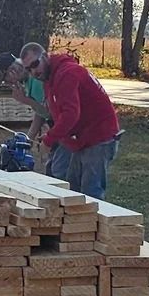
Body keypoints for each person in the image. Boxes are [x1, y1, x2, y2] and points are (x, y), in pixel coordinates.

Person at [34, 44, 121, 198]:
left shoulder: (67, 73)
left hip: (99, 136)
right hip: (82, 138)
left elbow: (70, 114)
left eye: (35, 65)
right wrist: (53, 135)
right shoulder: (49, 79)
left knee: (90, 193)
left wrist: (49, 140)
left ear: (45, 57)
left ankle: (93, 221)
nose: (34, 72)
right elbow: (60, 114)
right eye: (29, 69)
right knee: (73, 191)